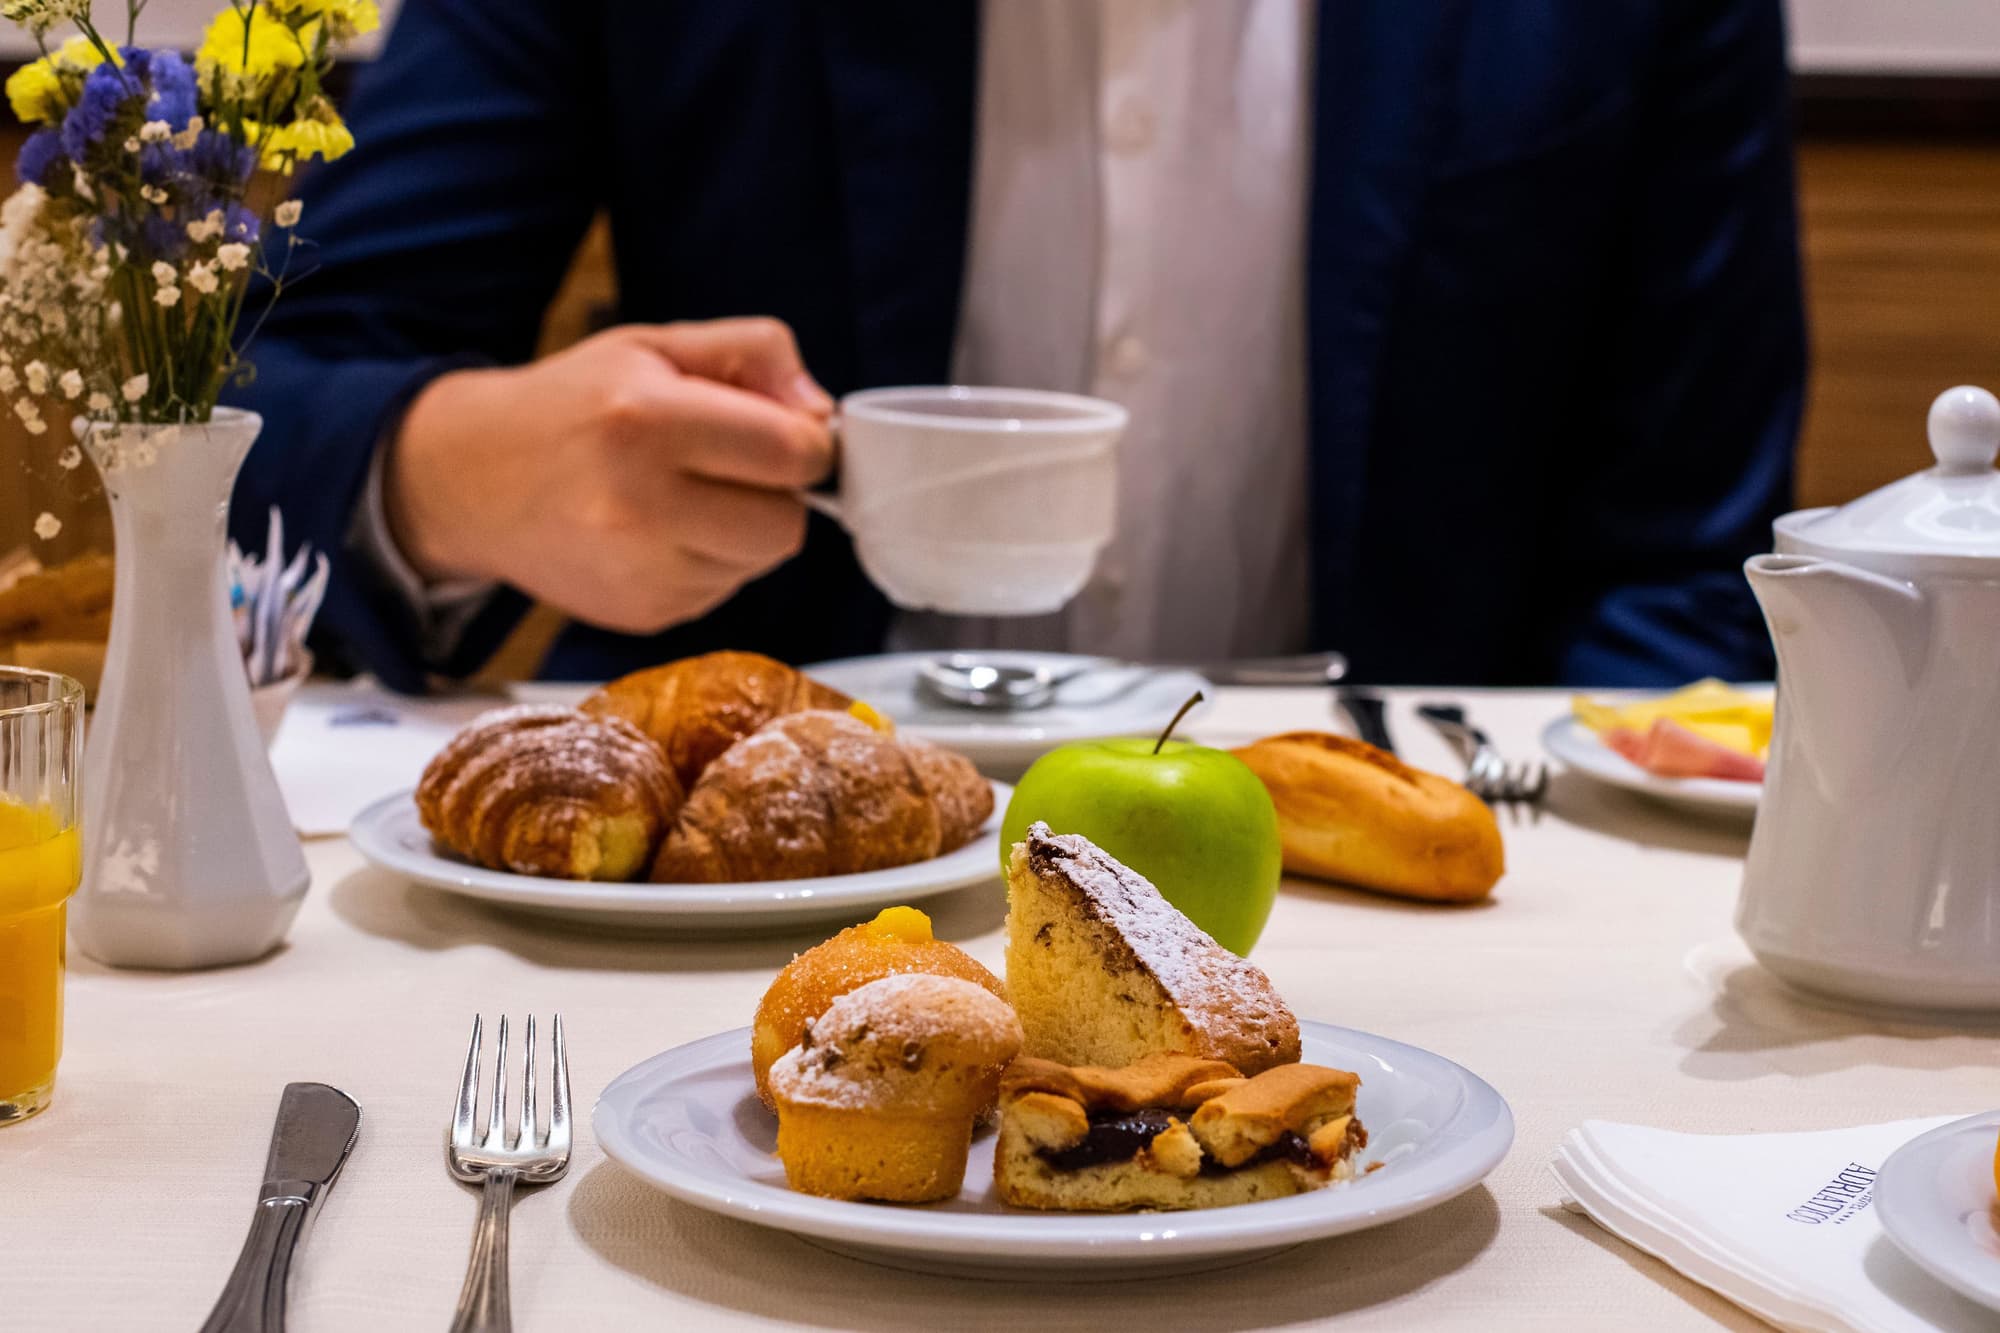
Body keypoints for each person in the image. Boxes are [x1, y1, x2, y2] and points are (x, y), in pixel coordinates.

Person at [227, 0, 1806, 692]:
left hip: (1397, 938)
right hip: (731, 926)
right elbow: (274, 410)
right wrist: (461, 476)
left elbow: (1685, 568)